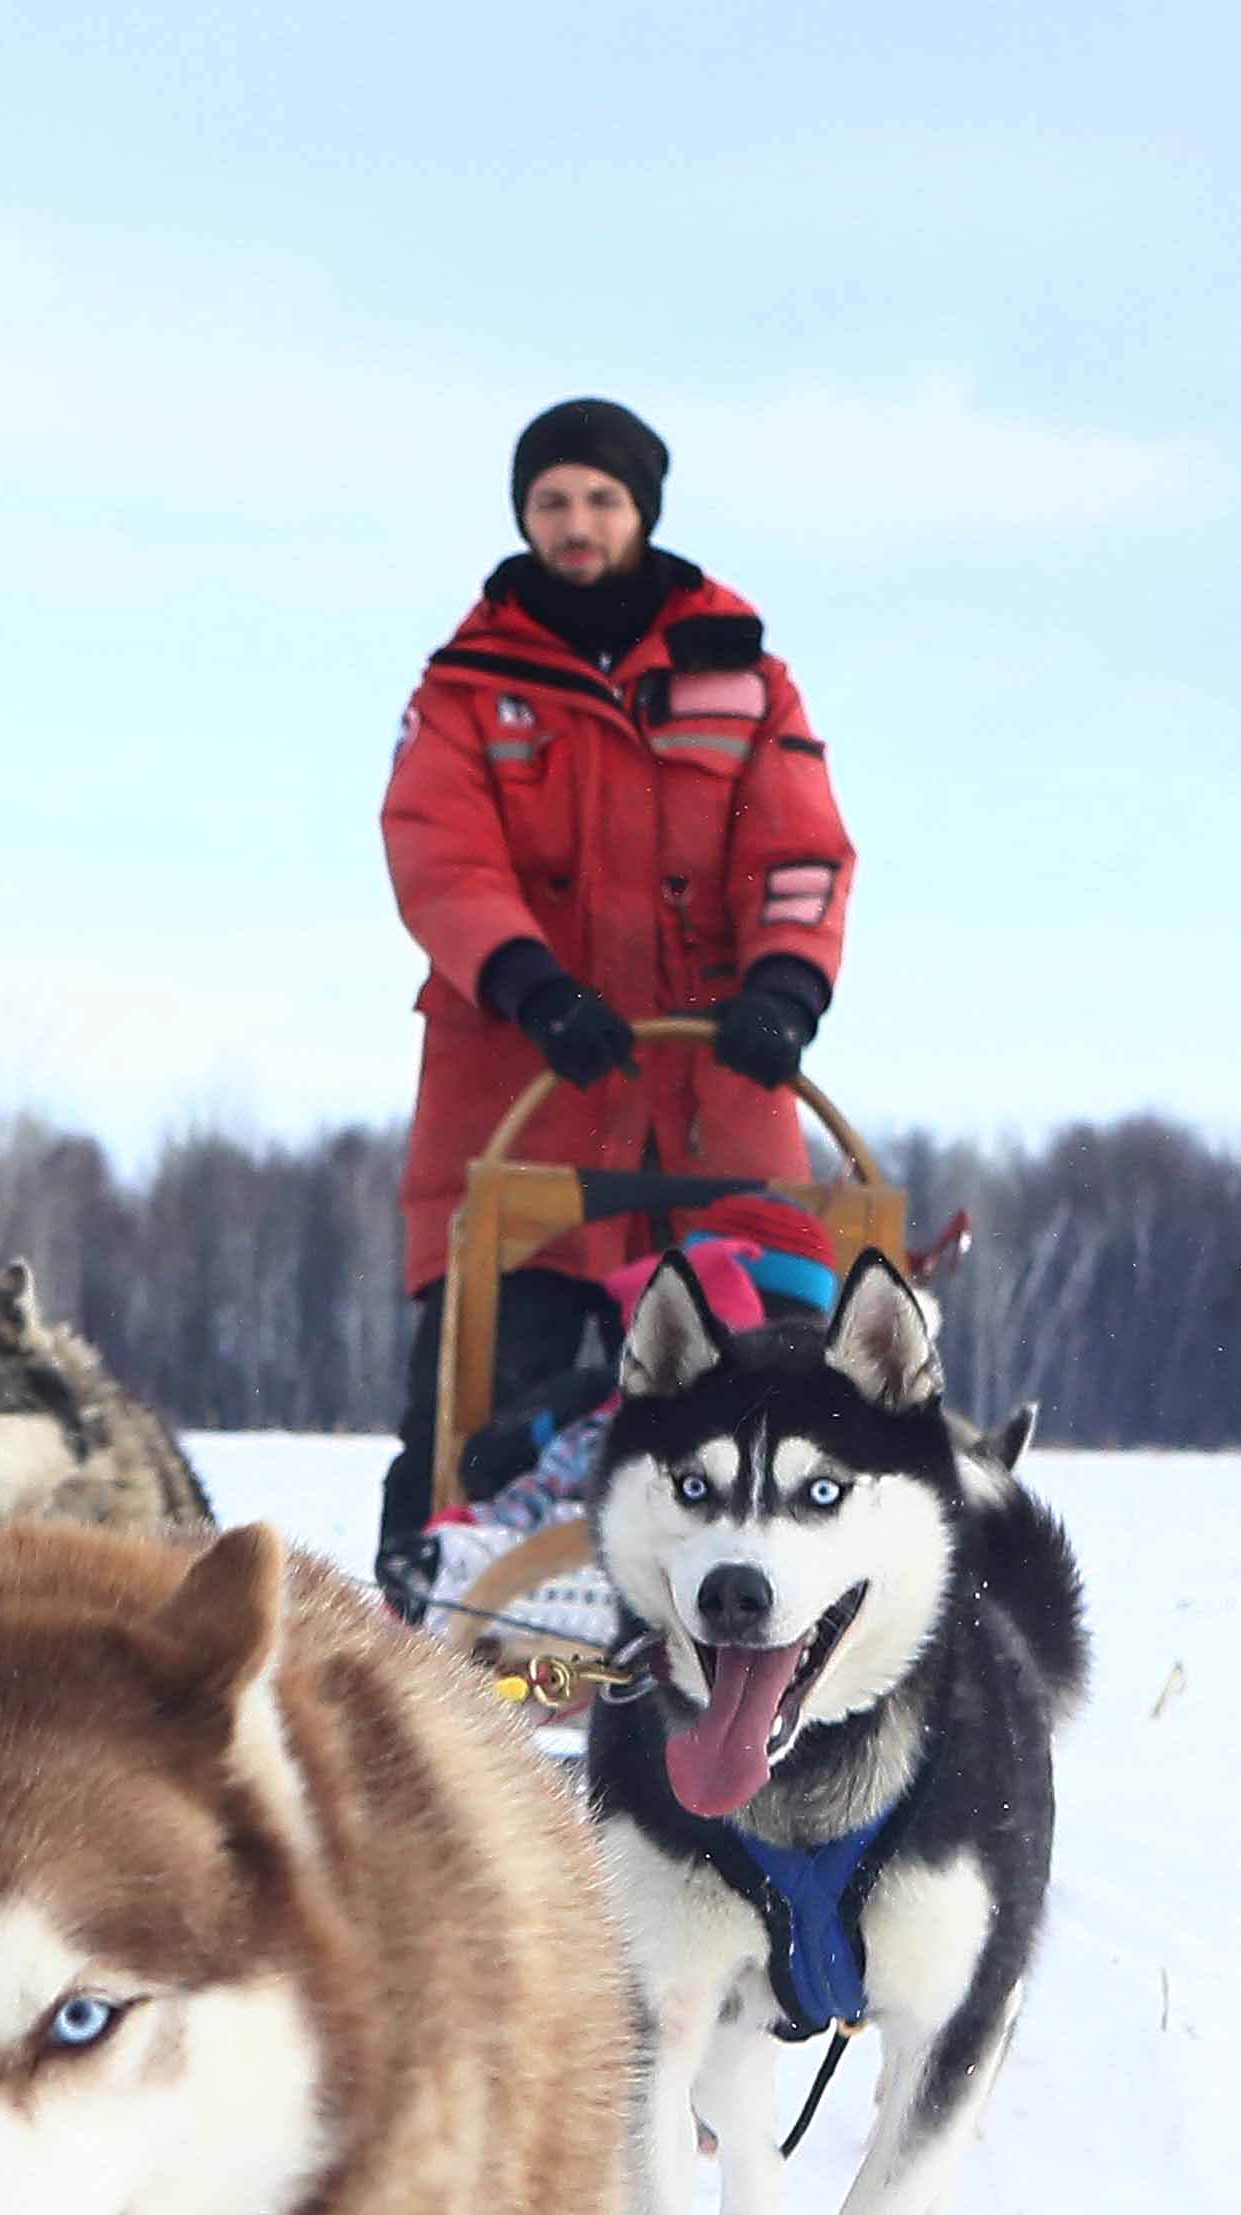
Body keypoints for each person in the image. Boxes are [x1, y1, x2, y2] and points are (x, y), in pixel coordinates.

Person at [372, 394, 857, 1553]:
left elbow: (799, 850)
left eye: (600, 498)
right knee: (472, 1421)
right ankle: (435, 1641)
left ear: (642, 509)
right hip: (518, 1098)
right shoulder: (463, 687)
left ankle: (732, 1666)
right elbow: (439, 857)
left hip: (714, 1109)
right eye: (551, 501)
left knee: (747, 1422)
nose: (576, 521)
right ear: (523, 517)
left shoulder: (744, 682)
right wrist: (534, 986)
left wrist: (786, 991)